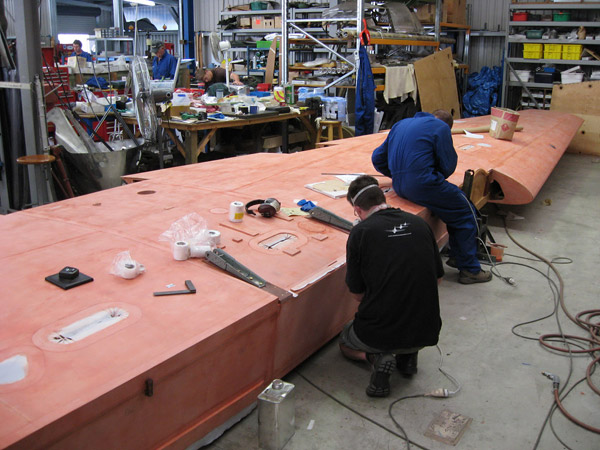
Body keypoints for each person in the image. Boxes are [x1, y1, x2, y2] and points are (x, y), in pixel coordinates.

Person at [340, 175, 443, 397]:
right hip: (426, 329)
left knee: (346, 341)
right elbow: (437, 279)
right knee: (406, 318)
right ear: (382, 198)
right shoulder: (420, 224)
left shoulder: (360, 232)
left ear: (358, 210)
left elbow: (357, 294)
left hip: (380, 333)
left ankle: (375, 358)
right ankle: (408, 356)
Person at [371, 110, 492, 284]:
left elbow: (377, 158)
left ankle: (458, 255)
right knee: (464, 210)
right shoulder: (441, 127)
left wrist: (399, 174)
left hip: (399, 185)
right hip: (423, 184)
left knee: (453, 204)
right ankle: (469, 269)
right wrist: (428, 176)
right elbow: (448, 165)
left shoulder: (400, 124)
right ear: (447, 125)